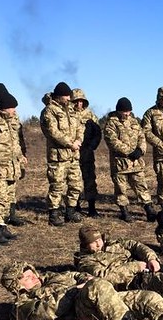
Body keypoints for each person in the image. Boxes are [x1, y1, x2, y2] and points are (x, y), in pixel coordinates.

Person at [0, 262, 163, 320]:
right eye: (27, 278)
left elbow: (74, 275)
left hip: (95, 301)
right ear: (17, 285)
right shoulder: (21, 305)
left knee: (146, 297)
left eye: (32, 273)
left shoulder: (50, 277)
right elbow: (44, 313)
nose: (34, 278)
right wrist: (76, 290)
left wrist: (84, 279)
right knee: (98, 287)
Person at [103, 97, 156, 223]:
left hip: (136, 163)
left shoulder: (134, 122)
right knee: (121, 189)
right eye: (124, 111)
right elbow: (112, 141)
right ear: (118, 111)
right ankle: (124, 211)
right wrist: (129, 152)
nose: (127, 114)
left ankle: (148, 209)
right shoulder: (111, 123)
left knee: (141, 186)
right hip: (120, 164)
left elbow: (141, 137)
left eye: (129, 111)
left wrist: (140, 150)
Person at [40, 81, 83, 226]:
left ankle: (70, 211)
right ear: (58, 96)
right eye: (65, 96)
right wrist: (70, 144)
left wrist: (78, 140)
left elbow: (79, 127)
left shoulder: (71, 110)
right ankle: (54, 214)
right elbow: (52, 132)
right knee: (57, 186)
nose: (68, 99)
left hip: (73, 156)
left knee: (75, 185)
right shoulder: (49, 111)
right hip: (58, 156)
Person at [0, 83, 22, 244]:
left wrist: (20, 157)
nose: (14, 111)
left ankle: (3, 226)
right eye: (12, 108)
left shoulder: (9, 121)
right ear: (4, 107)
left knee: (6, 198)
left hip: (10, 166)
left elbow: (15, 143)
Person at [72, 88, 102, 217]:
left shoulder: (90, 115)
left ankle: (92, 207)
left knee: (90, 180)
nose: (79, 104)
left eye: (81, 101)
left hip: (87, 152)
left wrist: (91, 146)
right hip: (72, 153)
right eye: (76, 101)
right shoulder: (67, 114)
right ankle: (75, 206)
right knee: (74, 181)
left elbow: (97, 133)